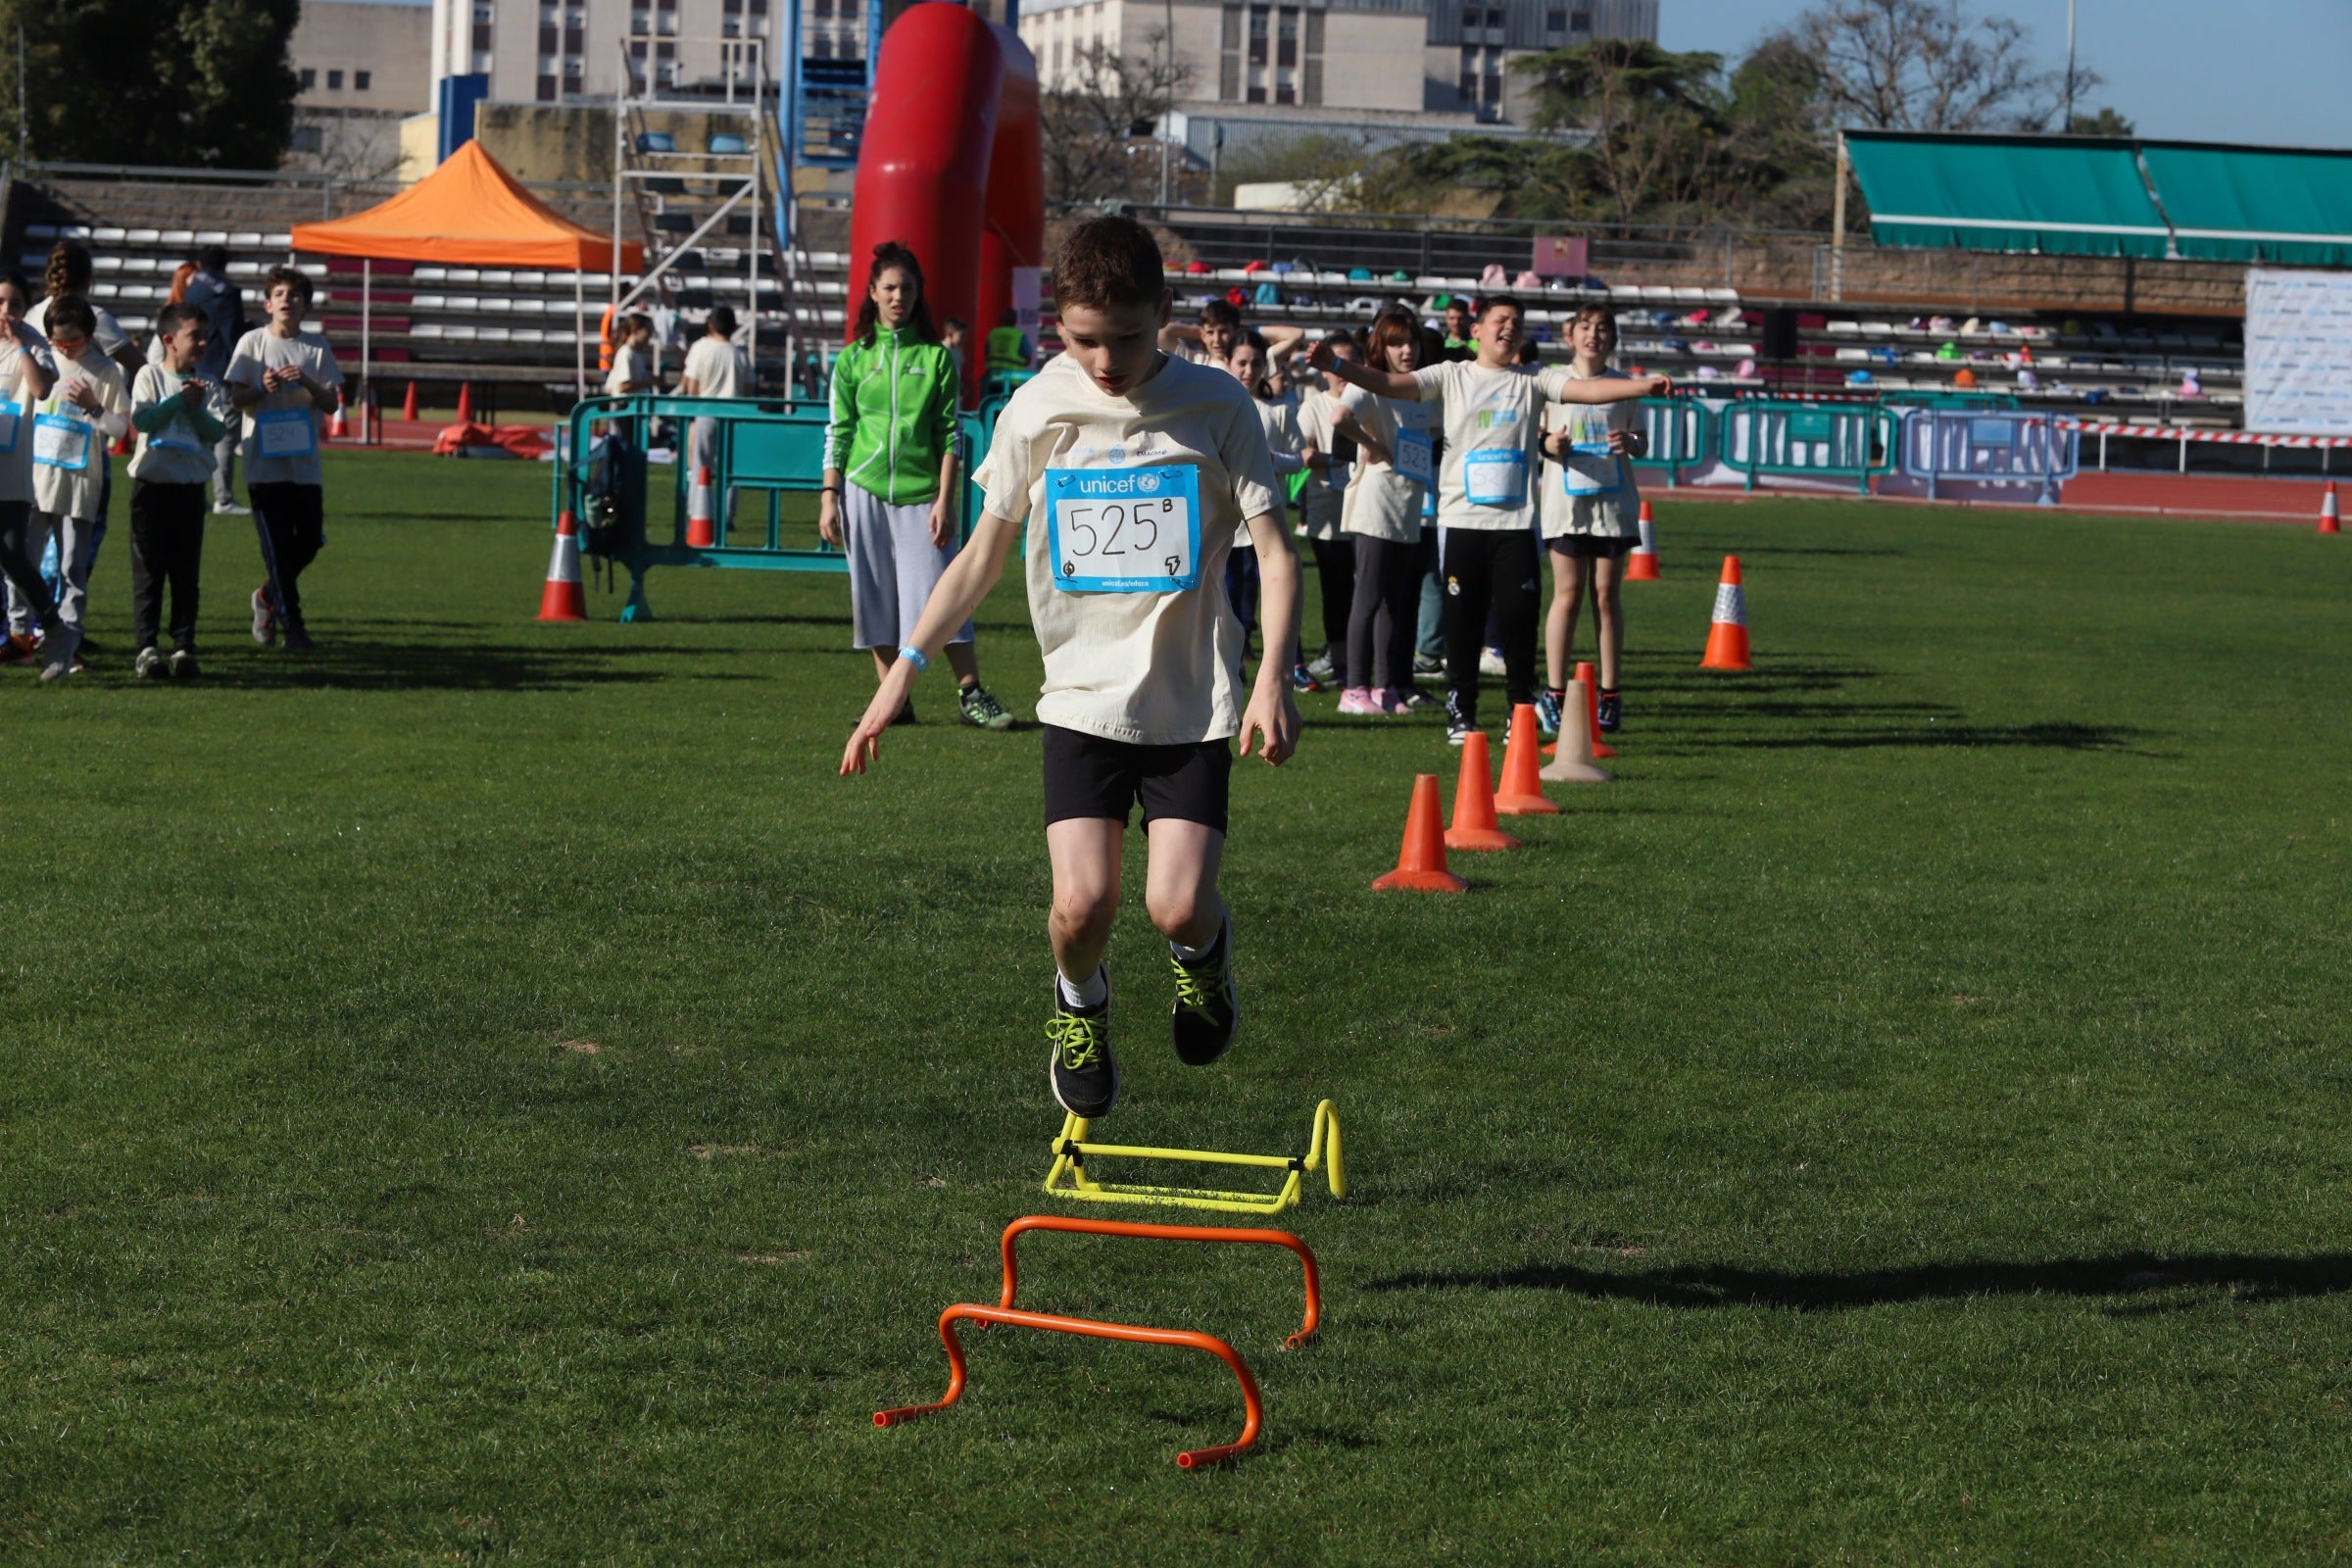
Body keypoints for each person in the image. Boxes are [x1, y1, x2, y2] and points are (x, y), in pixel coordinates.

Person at [840, 214, 1299, 1122]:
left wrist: (1273, 678)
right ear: (1059, 324)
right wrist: (904, 671)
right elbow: (977, 558)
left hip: (1189, 705)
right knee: (1082, 905)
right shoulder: (1038, 407)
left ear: (1163, 313)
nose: (1105, 360)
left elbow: (1277, 555)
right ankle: (1080, 1006)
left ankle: (1204, 962)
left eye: (1126, 337)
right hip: (1080, 699)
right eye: (1085, 339)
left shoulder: (1217, 406)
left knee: (1177, 908)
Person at [1311, 295, 1665, 745]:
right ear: (1477, 330)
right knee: (1463, 622)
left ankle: (1520, 709)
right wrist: (1336, 366)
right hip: (1462, 522)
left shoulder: (1534, 378)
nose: (1509, 328)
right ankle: (1462, 710)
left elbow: (1589, 391)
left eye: (1517, 322)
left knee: (1519, 620)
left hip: (1516, 525)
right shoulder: (1451, 375)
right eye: (1501, 320)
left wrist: (1642, 387)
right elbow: (1386, 382)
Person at [817, 241, 1012, 731]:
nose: (897, 296)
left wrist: (945, 499)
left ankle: (971, 693)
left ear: (917, 293)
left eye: (906, 287)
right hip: (861, 492)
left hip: (923, 496)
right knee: (874, 596)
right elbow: (839, 432)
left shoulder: (937, 357)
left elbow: (950, 433)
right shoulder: (852, 360)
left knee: (943, 592)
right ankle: (894, 699)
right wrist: (829, 496)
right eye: (889, 287)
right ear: (873, 292)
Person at [1537, 304, 1645, 736]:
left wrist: (1630, 441)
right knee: (1567, 595)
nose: (1593, 335)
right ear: (1570, 336)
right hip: (1566, 505)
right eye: (1585, 327)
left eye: (1602, 328)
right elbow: (1538, 436)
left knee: (1605, 596)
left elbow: (1641, 441)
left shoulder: (1625, 386)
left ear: (1612, 339)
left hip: (1612, 506)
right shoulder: (1552, 382)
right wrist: (1551, 444)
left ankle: (1611, 695)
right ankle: (1555, 693)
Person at [226, 266, 342, 652]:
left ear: (306, 306)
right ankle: (294, 627)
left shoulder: (316, 348)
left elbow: (331, 403)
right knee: (275, 547)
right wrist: (262, 387)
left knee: (310, 539)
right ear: (267, 304)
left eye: (294, 295)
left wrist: (306, 380)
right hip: (263, 462)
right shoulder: (252, 343)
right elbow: (236, 399)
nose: (286, 300)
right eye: (279, 294)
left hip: (304, 464)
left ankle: (265, 596)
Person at [1333, 308, 1432, 716]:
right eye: (1397, 344)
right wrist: (1372, 445)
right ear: (1381, 347)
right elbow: (1339, 416)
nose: (1407, 351)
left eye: (1412, 342)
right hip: (1376, 503)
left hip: (1408, 503)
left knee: (1394, 599)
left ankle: (1384, 686)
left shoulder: (1418, 388)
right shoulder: (1368, 385)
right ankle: (1354, 687)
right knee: (1369, 596)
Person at [25, 295, 128, 682]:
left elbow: (120, 429)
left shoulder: (105, 370)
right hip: (35, 481)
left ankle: (66, 645)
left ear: (89, 334)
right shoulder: (41, 363)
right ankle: (22, 635)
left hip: (80, 484)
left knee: (72, 566)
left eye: (74, 342)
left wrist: (93, 406)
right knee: (24, 562)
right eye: (58, 341)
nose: (65, 349)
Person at [126, 303, 232, 679]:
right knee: (149, 572)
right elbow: (142, 420)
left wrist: (196, 408)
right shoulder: (150, 376)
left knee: (186, 573)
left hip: (189, 490)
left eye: (205, 336)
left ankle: (184, 647)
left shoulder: (209, 384)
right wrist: (177, 402)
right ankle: (147, 648)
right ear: (169, 339)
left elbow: (216, 431)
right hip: (151, 489)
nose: (203, 343)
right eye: (194, 336)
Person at [1220, 332, 1325, 685]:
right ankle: (1231, 661)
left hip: (1264, 522)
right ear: (1228, 363)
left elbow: (1298, 460)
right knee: (1228, 597)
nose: (1249, 370)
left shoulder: (1277, 412)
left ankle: (1291, 664)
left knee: (1274, 592)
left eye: (1256, 363)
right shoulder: (1214, 410)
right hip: (1225, 524)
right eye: (1242, 363)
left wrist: (1268, 459)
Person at [1292, 333, 1357, 687]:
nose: (1342, 370)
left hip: (1365, 511)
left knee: (1365, 592)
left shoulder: (1368, 399)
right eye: (1335, 362)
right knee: (1335, 589)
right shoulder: (1313, 406)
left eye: (1349, 362)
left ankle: (1361, 661)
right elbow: (1304, 454)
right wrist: (1337, 459)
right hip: (1327, 513)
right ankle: (1340, 659)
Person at [0, 271, 58, 669]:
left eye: (15, 304)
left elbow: (40, 389)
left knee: (13, 557)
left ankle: (54, 626)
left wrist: (20, 346)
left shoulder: (34, 344)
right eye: (0, 303)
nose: (6, 312)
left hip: (12, 472)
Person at [180, 246, 247, 514]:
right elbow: (232, 335)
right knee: (225, 435)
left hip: (196, 367)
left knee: (199, 433)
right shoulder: (226, 292)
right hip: (221, 369)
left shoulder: (194, 287)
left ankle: (195, 492)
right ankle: (224, 498)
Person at [680, 305, 751, 525]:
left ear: (711, 325)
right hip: (734, 415)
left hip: (706, 411)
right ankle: (727, 515)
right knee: (731, 468)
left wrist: (692, 411)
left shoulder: (701, 348)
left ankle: (699, 512)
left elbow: (691, 385)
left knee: (701, 465)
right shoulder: (740, 354)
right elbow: (749, 390)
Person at [603, 313, 655, 396]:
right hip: (626, 403)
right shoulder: (626, 353)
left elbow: (609, 388)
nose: (650, 335)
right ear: (635, 330)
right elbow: (623, 387)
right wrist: (648, 382)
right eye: (648, 330)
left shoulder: (636, 353)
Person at [984, 307, 1030, 378]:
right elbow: (1028, 359)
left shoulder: (993, 334)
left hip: (993, 376)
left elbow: (986, 353)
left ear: (1001, 320)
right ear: (1015, 321)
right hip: (1013, 378)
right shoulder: (1020, 335)